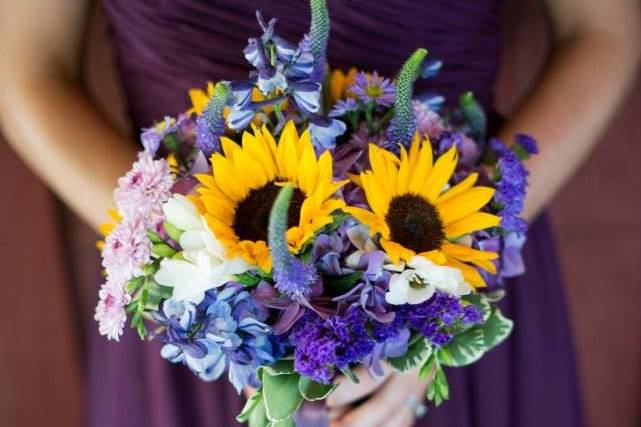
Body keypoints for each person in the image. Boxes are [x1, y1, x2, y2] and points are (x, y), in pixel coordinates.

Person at [0, 1, 639, 427]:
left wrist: (421, 316)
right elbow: (26, 66)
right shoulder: (193, 285)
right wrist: (182, 260)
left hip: (455, 264)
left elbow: (604, 27)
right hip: (198, 315)